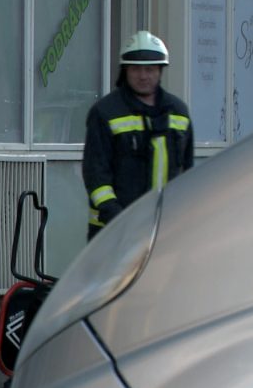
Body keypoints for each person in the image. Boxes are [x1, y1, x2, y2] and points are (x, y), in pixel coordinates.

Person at [82, 30, 194, 241]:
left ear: (160, 70)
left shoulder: (179, 112)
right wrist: (119, 219)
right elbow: (95, 175)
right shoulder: (105, 112)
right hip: (112, 231)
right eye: (135, 69)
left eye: (149, 69)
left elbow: (188, 173)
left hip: (166, 228)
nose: (143, 76)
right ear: (125, 71)